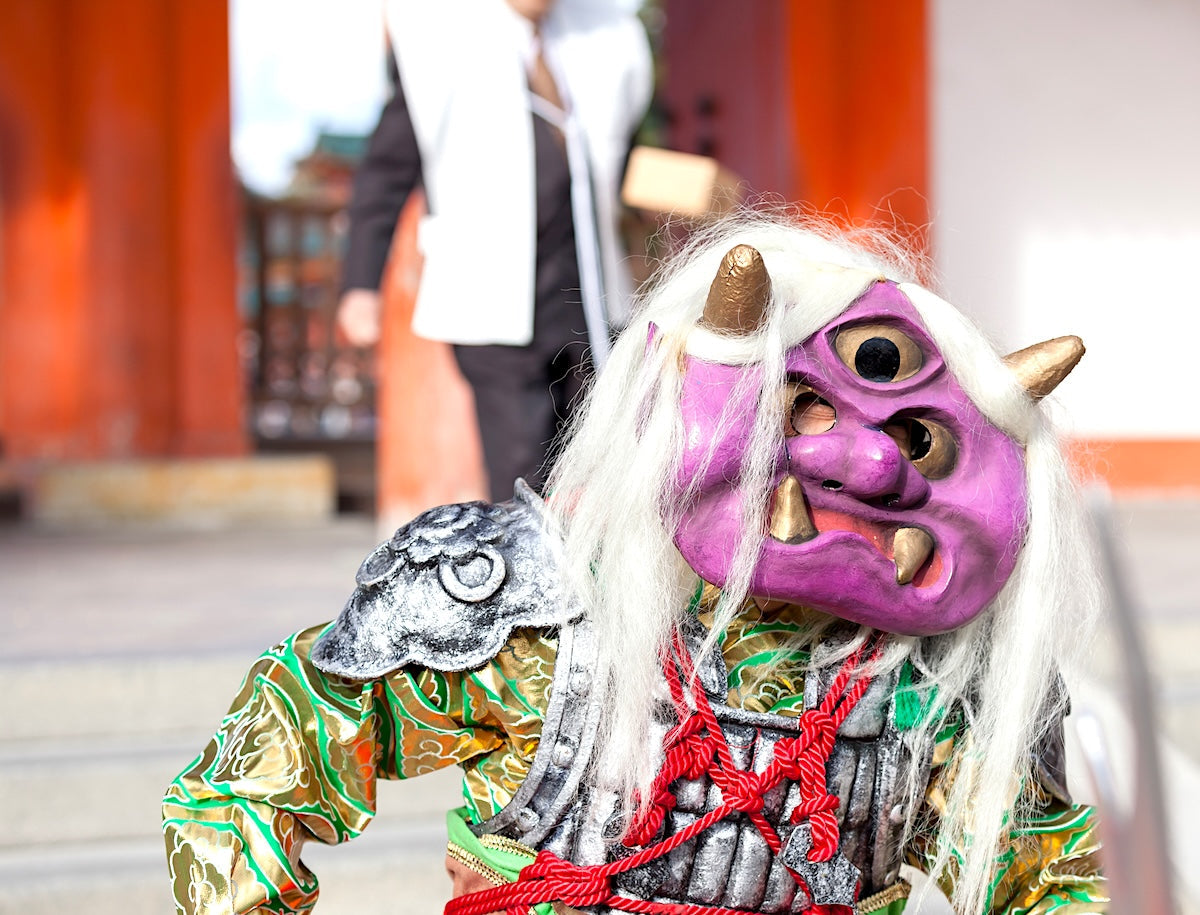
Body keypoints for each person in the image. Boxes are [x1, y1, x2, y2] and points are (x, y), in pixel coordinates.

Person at [164, 217, 1107, 914]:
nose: (867, 462)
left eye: (912, 433)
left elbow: (1048, 878)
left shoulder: (937, 683)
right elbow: (256, 772)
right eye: (803, 406)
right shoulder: (523, 602)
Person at [338, 0, 653, 500]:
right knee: (523, 478)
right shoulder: (437, 39)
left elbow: (625, 156)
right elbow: (386, 171)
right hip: (492, 297)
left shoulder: (607, 37)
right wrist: (361, 286)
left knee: (602, 472)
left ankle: (592, 578)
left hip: (590, 295)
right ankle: (530, 576)